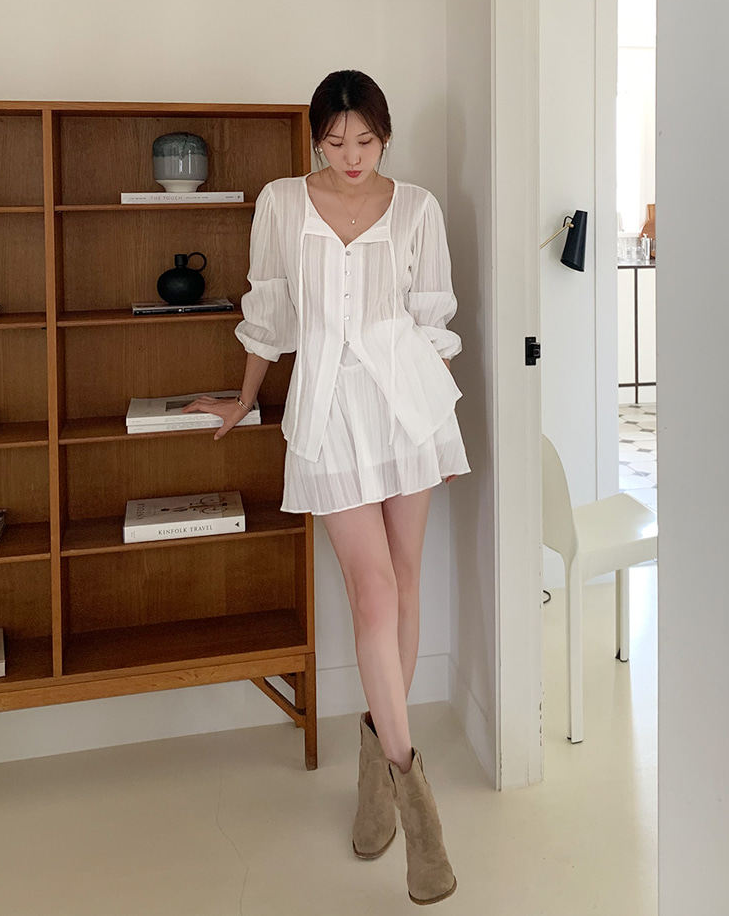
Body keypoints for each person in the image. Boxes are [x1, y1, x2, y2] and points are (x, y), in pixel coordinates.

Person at [183, 69, 468, 906]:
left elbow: (432, 321)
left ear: (385, 137)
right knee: (372, 591)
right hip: (328, 410)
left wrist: (436, 418)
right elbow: (270, 312)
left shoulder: (417, 208)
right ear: (316, 139)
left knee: (405, 581)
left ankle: (376, 777)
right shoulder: (281, 203)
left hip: (407, 408)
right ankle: (417, 805)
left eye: (366, 141)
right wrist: (245, 397)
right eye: (335, 141)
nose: (351, 156)